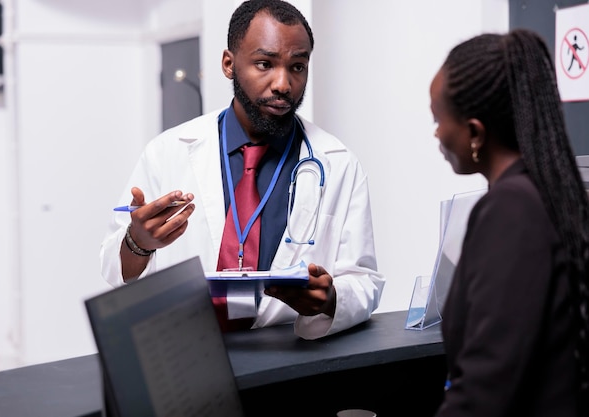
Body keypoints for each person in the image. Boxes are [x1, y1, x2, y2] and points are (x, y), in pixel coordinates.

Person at [100, 0, 384, 340]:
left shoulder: (338, 163)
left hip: (287, 355)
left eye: (297, 67)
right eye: (265, 63)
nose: (283, 84)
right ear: (229, 64)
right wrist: (138, 243)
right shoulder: (168, 152)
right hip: (190, 350)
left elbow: (364, 279)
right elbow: (114, 269)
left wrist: (330, 298)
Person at [429, 29, 589, 416]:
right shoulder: (546, 194)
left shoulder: (511, 210)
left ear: (474, 133)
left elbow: (488, 384)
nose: (436, 133)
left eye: (438, 119)